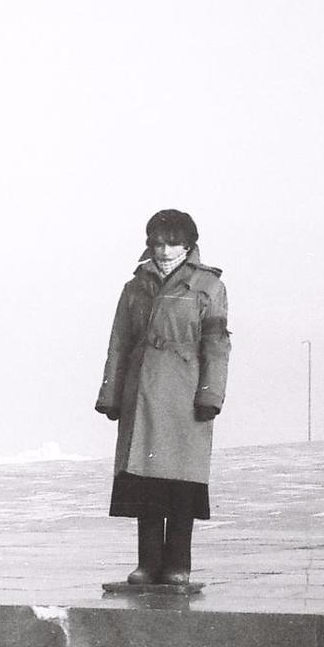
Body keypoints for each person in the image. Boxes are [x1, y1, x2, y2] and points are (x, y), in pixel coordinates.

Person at [96, 209, 230, 586]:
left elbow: (217, 344)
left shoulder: (208, 287)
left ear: (189, 245)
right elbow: (119, 343)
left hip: (185, 393)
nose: (163, 250)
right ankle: (147, 562)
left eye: (172, 242)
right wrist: (111, 394)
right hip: (141, 392)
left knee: (180, 481)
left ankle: (178, 565)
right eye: (156, 242)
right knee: (146, 480)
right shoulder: (134, 287)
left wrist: (211, 395)